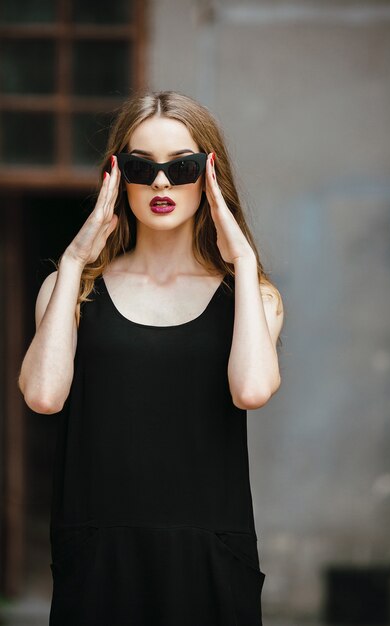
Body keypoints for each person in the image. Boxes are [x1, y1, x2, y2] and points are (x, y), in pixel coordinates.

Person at [18, 90, 284, 626]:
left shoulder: (251, 297)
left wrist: (244, 257)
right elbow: (44, 397)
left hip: (209, 558)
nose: (162, 183)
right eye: (142, 167)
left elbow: (251, 390)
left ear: (210, 175)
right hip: (98, 557)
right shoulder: (70, 289)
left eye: (182, 166)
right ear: (116, 175)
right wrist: (73, 260)